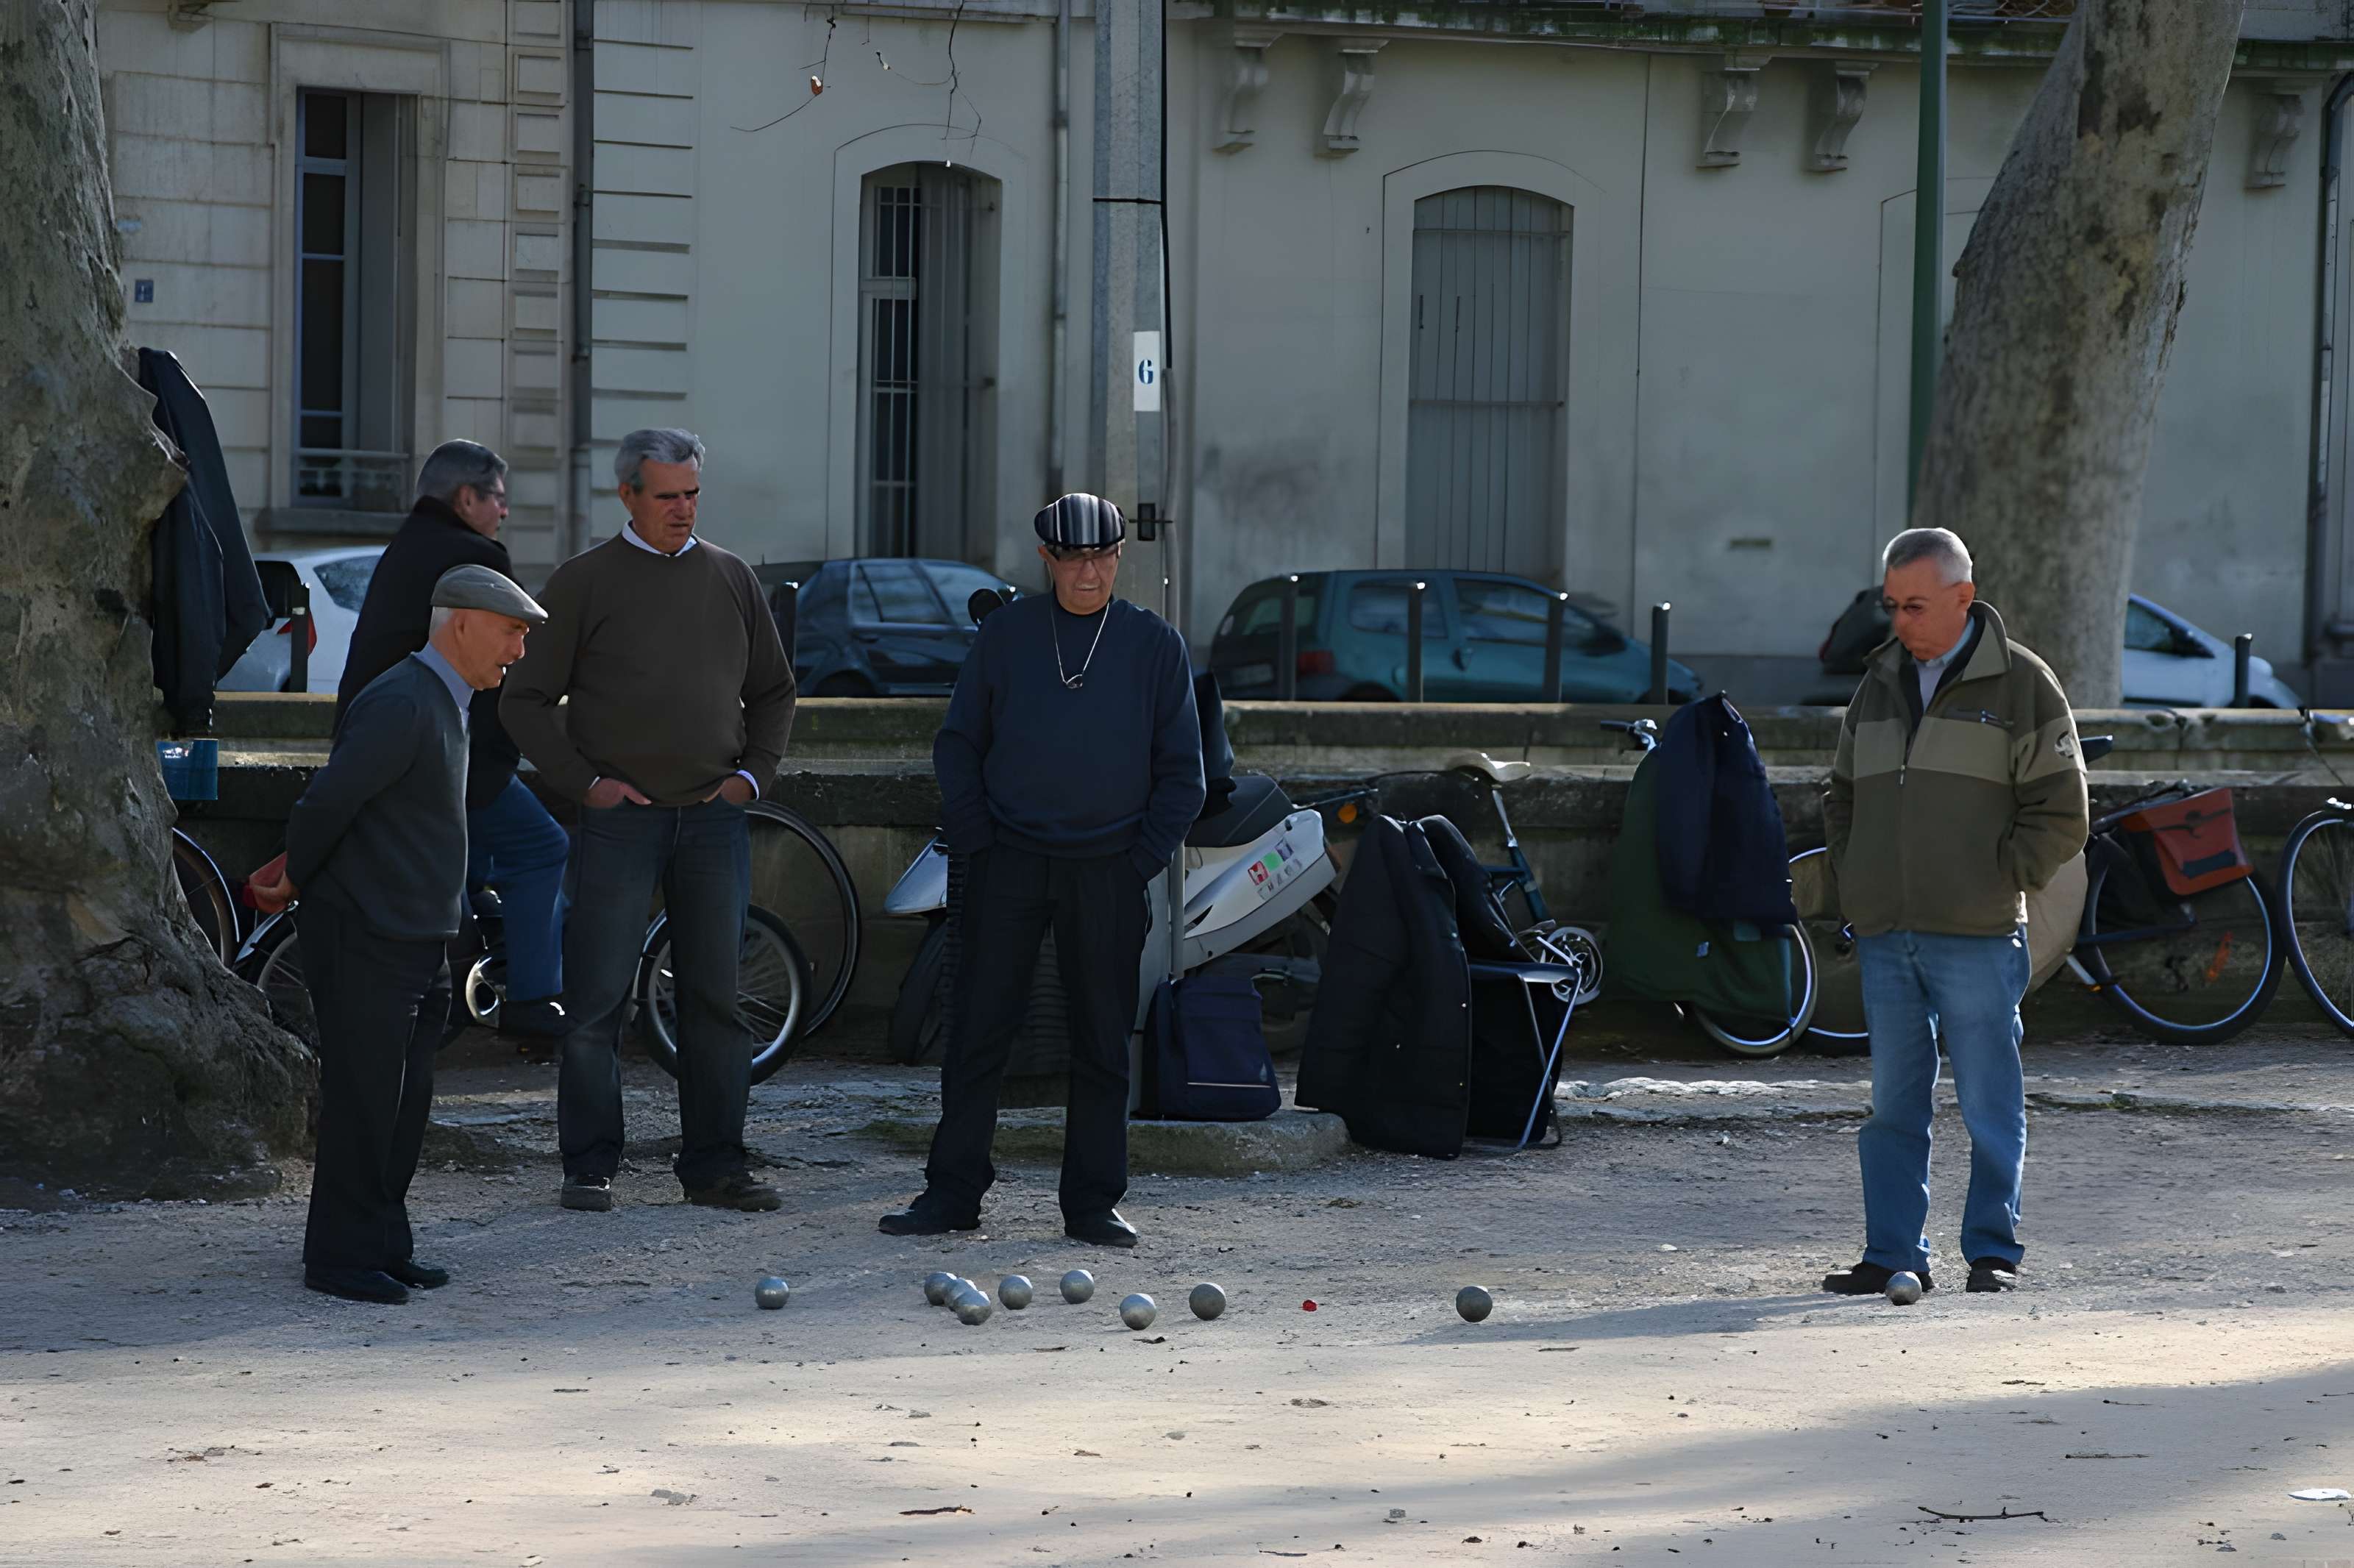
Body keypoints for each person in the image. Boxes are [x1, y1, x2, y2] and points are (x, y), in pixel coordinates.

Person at [880, 493, 1205, 1249]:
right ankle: (952, 1190)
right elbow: (957, 743)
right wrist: (978, 842)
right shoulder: (1006, 634)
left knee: (1099, 1038)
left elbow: (1181, 774)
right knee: (977, 1030)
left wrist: (1135, 862)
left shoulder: (1155, 645)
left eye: (1102, 557)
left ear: (1119, 556)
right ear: (1047, 559)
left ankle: (1091, 1202)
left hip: (1108, 866)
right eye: (1073, 558)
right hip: (1008, 860)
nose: (1088, 571)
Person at [501, 428, 797, 1215]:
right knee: (596, 1001)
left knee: (715, 1003)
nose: (683, 508)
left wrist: (750, 777)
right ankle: (590, 1163)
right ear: (627, 494)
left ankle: (715, 1165)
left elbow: (774, 690)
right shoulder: (583, 582)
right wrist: (584, 783)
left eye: (693, 492)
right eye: (667, 494)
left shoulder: (732, 577)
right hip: (619, 823)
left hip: (711, 821)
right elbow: (520, 698)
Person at [252, 566, 547, 1305]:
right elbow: (326, 805)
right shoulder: (405, 699)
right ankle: (340, 1257)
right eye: (511, 632)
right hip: (370, 933)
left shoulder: (440, 700)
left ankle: (382, 1243)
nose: (518, 651)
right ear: (462, 625)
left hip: (416, 934)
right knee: (364, 1101)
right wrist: (297, 880)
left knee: (402, 1101)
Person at [1820, 527, 2088, 1298]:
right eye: (1890, 603)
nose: (1898, 620)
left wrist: (1999, 876)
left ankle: (1991, 1250)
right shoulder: (1875, 684)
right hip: (1885, 929)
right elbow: (1841, 796)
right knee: (1892, 1105)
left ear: (1962, 598)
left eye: (1914, 604)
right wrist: (1855, 872)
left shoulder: (2024, 685)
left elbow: (2061, 811)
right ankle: (1891, 1253)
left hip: (1976, 931)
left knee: (1987, 1101)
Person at [337, 440, 572, 1050]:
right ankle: (533, 998)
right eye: (497, 498)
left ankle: (461, 977)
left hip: (377, 743)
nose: (504, 512)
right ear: (466, 498)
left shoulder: (405, 548)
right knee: (542, 848)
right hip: (445, 754)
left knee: (462, 868)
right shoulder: (474, 559)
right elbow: (507, 671)